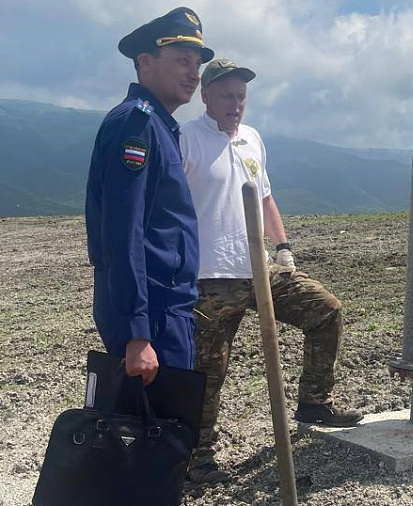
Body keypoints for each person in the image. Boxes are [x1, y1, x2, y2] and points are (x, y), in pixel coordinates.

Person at [180, 58, 363, 483]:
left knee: (326, 310)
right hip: (210, 278)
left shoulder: (252, 140)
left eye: (241, 96)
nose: (236, 103)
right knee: (208, 370)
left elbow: (264, 199)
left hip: (260, 269)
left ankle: (315, 402)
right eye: (227, 94)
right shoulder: (185, 139)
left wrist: (284, 248)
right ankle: (197, 456)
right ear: (206, 94)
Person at [85, 7, 214, 386]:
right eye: (182, 61)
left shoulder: (159, 126)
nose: (194, 73)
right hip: (153, 314)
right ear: (145, 61)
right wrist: (136, 332)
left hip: (165, 309)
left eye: (197, 63)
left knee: (161, 434)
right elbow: (122, 234)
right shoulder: (136, 125)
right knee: (148, 435)